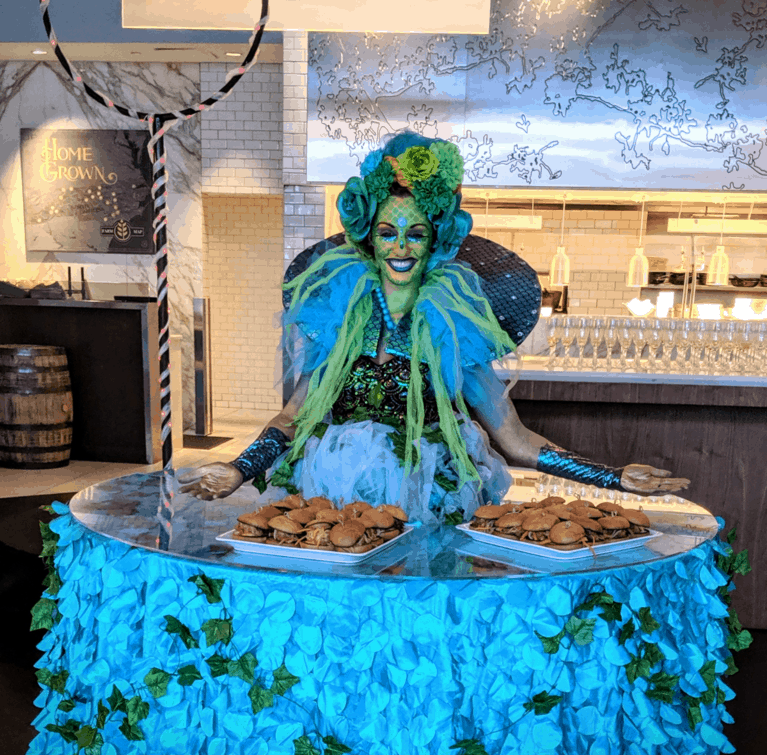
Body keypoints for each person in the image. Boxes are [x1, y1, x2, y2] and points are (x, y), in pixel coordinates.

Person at [181, 132, 688, 516]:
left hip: (430, 491)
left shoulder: (452, 326)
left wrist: (611, 477)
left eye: (416, 233)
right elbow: (293, 418)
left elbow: (514, 439)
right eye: (388, 232)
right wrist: (239, 468)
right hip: (337, 486)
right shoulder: (341, 320)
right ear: (370, 239)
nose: (401, 246)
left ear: (435, 241)